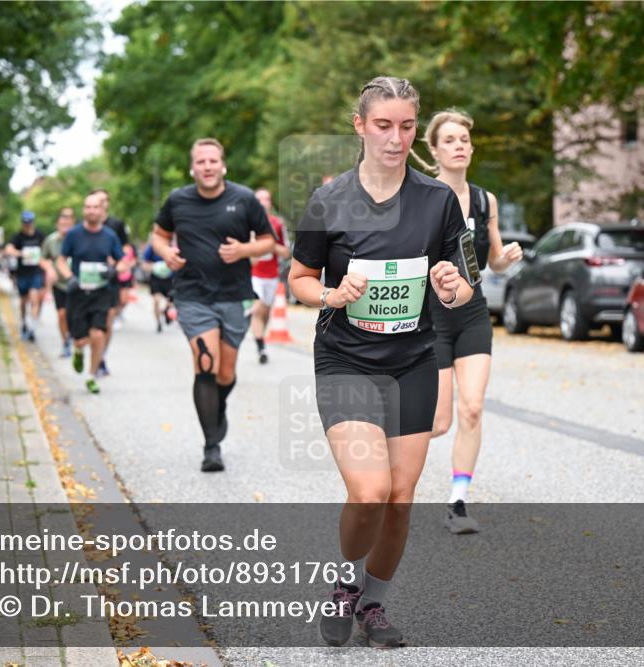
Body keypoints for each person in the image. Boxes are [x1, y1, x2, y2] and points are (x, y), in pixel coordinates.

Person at [288, 77, 472, 648]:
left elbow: (465, 284)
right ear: (361, 126)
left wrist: (450, 285)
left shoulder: (438, 200)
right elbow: (298, 279)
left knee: (400, 496)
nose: (396, 137)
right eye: (384, 125)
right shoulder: (329, 200)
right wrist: (331, 295)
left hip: (412, 360)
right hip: (345, 358)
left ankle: (373, 604)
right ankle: (345, 584)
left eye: (407, 126)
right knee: (369, 490)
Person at [411, 110, 523, 534]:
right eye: (450, 140)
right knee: (438, 422)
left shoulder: (484, 200)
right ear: (435, 150)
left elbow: (490, 260)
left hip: (472, 312)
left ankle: (457, 502)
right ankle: (389, 466)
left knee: (472, 409)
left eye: (465, 139)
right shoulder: (419, 196)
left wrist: (505, 258)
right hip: (431, 315)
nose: (460, 145)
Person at [151, 137, 275, 473]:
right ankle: (211, 446)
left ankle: (216, 409)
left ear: (223, 165)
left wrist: (243, 251)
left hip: (234, 295)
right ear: (193, 167)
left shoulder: (244, 199)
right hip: (193, 295)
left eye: (212, 161)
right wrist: (166, 254)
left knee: (226, 372)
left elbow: (268, 241)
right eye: (201, 161)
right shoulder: (178, 200)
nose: (207, 166)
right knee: (206, 365)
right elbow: (158, 235)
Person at [57, 193, 127, 394]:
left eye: (96, 207)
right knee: (80, 339)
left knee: (98, 333)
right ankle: (78, 350)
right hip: (78, 292)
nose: (92, 211)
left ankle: (91, 375)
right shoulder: (73, 235)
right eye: (88, 207)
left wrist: (114, 270)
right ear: (83, 210)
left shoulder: (109, 236)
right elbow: (61, 260)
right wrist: (69, 277)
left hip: (101, 292)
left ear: (102, 210)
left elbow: (123, 261)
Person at [94, 188, 134, 372]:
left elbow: (125, 248)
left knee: (108, 318)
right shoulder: (84, 225)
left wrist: (120, 262)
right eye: (97, 200)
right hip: (89, 279)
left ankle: (101, 357)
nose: (101, 204)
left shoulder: (116, 224)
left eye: (104, 200)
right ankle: (91, 350)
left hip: (111, 278)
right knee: (92, 326)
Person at [249, 188, 291, 364]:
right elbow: (248, 258)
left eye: (266, 199)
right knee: (258, 309)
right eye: (259, 199)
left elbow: (286, 253)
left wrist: (271, 245)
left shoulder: (277, 225)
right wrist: (254, 247)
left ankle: (260, 340)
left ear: (270, 203)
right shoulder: (248, 225)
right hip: (254, 276)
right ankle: (261, 349)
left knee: (265, 313)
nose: (262, 202)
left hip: (272, 276)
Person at [5, 211, 46, 342]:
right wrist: (22, 253)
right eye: (25, 222)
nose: (27, 225)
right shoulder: (18, 236)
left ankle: (32, 328)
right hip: (22, 273)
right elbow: (8, 249)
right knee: (24, 301)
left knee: (35, 299)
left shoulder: (40, 235)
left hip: (36, 272)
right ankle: (24, 323)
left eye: (29, 222)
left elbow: (46, 250)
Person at [42, 207, 76, 357]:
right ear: (58, 224)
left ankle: (75, 336)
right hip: (59, 284)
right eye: (63, 223)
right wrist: (49, 269)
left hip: (77, 283)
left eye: (69, 222)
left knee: (74, 315)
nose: (66, 226)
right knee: (62, 314)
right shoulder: (51, 240)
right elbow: (43, 258)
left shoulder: (79, 238)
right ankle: (65, 342)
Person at [141, 237, 174, 333]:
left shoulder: (171, 248)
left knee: (171, 302)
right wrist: (155, 267)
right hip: (156, 278)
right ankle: (158, 322)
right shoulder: (151, 249)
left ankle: (166, 312)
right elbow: (144, 264)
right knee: (156, 299)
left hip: (168, 279)